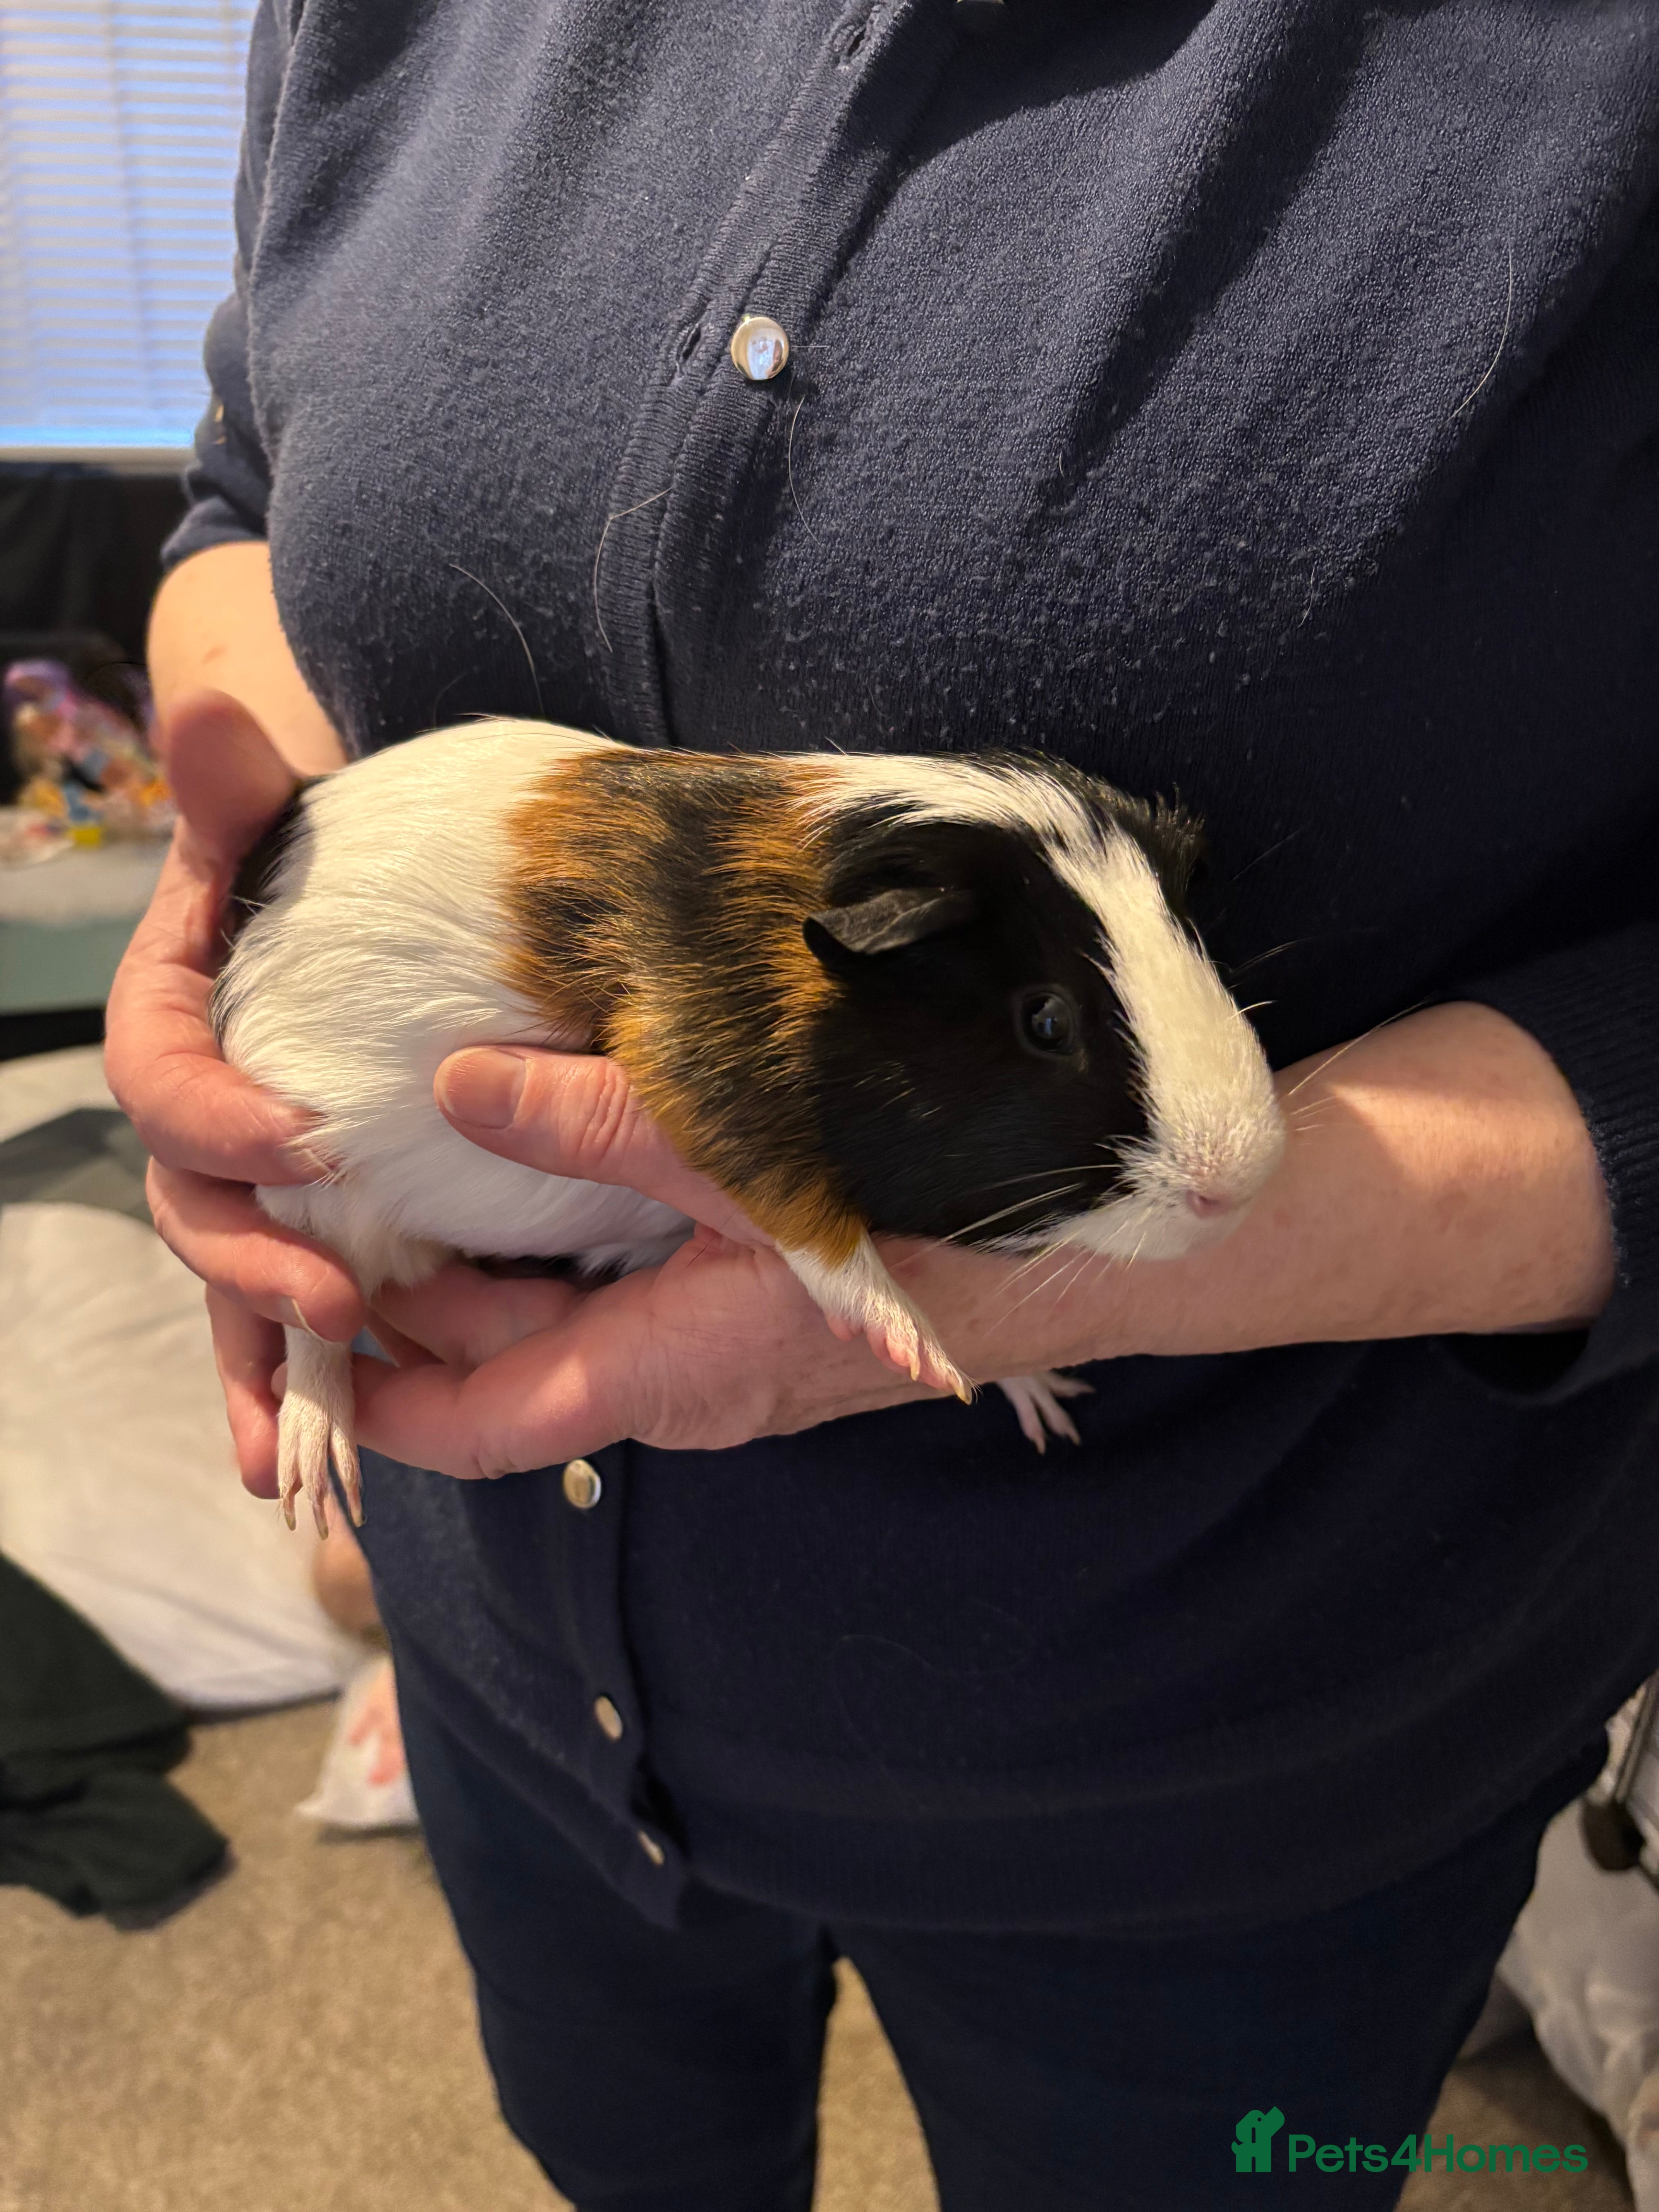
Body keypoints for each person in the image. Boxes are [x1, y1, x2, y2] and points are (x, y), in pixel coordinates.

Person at [106, 4, 1659, 2205]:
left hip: (1227, 1788)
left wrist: (1089, 1280)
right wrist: (223, 887)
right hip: (518, 1695)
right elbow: (250, 487)